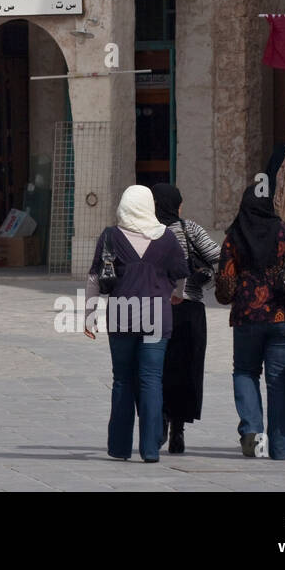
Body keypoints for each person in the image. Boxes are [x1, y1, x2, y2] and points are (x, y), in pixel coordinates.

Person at [215, 187, 285, 460]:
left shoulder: (234, 237)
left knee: (245, 372)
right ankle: (279, 447)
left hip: (247, 318)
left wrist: (234, 291)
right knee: (279, 381)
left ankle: (252, 433)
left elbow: (225, 287)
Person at [86, 185, 189, 463]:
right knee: (151, 381)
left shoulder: (111, 236)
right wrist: (176, 296)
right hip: (157, 315)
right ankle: (151, 449)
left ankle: (120, 448)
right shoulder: (166, 237)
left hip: (122, 315)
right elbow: (180, 274)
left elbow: (95, 277)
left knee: (122, 381)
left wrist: (89, 314)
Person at [151, 183, 221, 454]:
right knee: (186, 370)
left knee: (156, 369)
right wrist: (205, 279)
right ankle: (179, 428)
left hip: (154, 309)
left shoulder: (146, 231)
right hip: (189, 310)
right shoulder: (189, 229)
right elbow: (217, 257)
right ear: (177, 205)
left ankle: (161, 423)